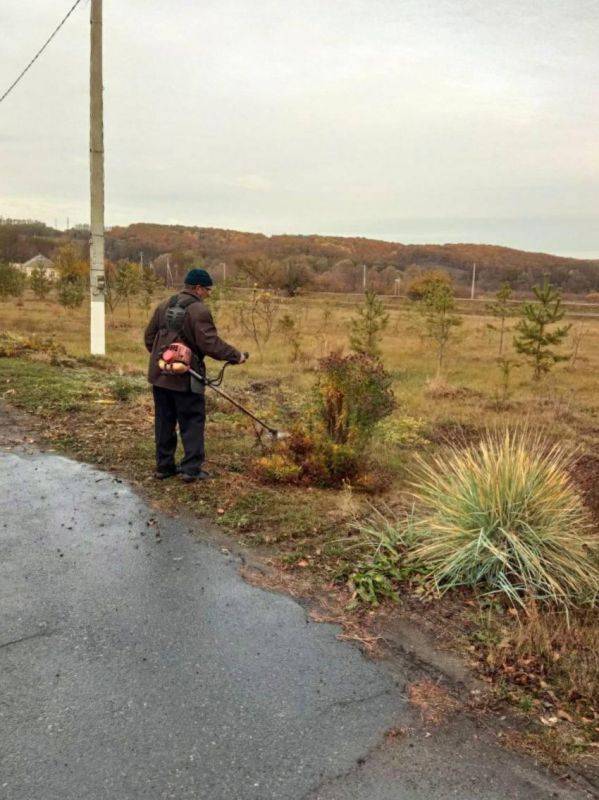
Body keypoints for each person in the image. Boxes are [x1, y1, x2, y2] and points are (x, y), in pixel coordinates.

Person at [144, 268, 245, 482]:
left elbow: (149, 338)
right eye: (207, 290)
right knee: (192, 421)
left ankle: (164, 467)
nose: (208, 293)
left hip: (160, 375)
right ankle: (191, 469)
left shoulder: (164, 305)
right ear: (198, 288)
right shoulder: (199, 310)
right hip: (186, 378)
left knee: (164, 421)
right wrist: (235, 355)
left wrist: (164, 360)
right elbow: (210, 344)